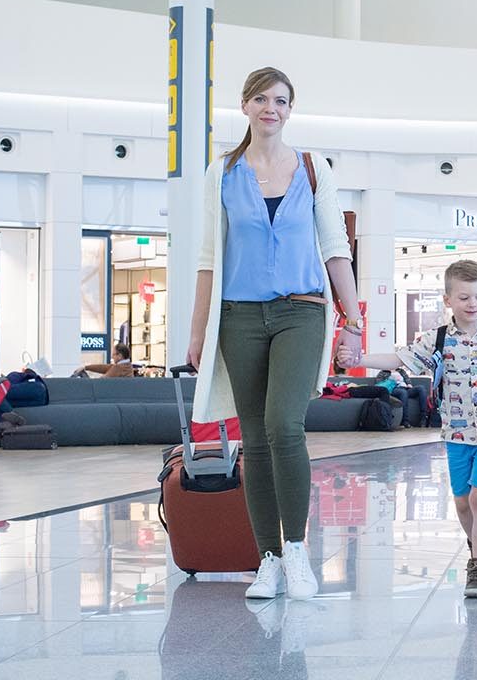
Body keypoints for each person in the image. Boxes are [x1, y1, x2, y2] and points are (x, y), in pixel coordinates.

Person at [186, 66, 364, 603]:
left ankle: (296, 551)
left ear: (291, 110)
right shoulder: (222, 172)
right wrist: (198, 332)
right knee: (257, 439)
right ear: (244, 106)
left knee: (285, 427)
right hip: (239, 318)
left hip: (300, 313)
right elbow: (208, 258)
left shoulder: (313, 169)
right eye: (261, 98)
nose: (271, 108)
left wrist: (354, 324)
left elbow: (335, 246)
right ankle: (267, 558)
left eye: (281, 101)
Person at [338, 260, 477, 601]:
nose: (473, 304)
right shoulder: (437, 339)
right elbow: (398, 359)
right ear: (448, 300)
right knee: (463, 502)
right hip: (456, 433)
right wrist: (361, 358)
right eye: (465, 297)